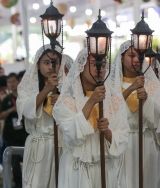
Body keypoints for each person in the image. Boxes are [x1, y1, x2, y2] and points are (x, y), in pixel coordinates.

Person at [53, 48, 129, 188]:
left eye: (104, 65)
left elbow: (123, 135)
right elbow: (71, 134)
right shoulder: (67, 101)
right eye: (94, 64)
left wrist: (108, 133)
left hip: (106, 168)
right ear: (81, 67)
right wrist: (92, 101)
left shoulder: (113, 99)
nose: (100, 69)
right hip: (77, 169)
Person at [111, 40, 160, 188]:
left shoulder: (152, 84)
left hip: (146, 142)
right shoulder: (111, 85)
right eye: (131, 55)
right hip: (122, 141)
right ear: (121, 58)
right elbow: (109, 112)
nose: (136, 59)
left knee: (147, 181)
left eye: (139, 56)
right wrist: (131, 88)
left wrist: (147, 100)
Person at [17, 45, 64, 188]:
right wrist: (47, 89)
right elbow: (26, 110)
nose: (51, 67)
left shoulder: (67, 86)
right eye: (46, 62)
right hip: (39, 145)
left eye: (54, 63)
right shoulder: (27, 87)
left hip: (61, 144)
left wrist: (62, 103)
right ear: (38, 65)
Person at [0, 72, 28, 188]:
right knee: (14, 163)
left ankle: (29, 182)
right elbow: (1, 116)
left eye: (13, 81)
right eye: (9, 82)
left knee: (28, 161)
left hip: (25, 134)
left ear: (19, 82)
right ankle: (18, 184)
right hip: (11, 135)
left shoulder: (25, 97)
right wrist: (11, 110)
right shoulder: (6, 99)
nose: (11, 84)